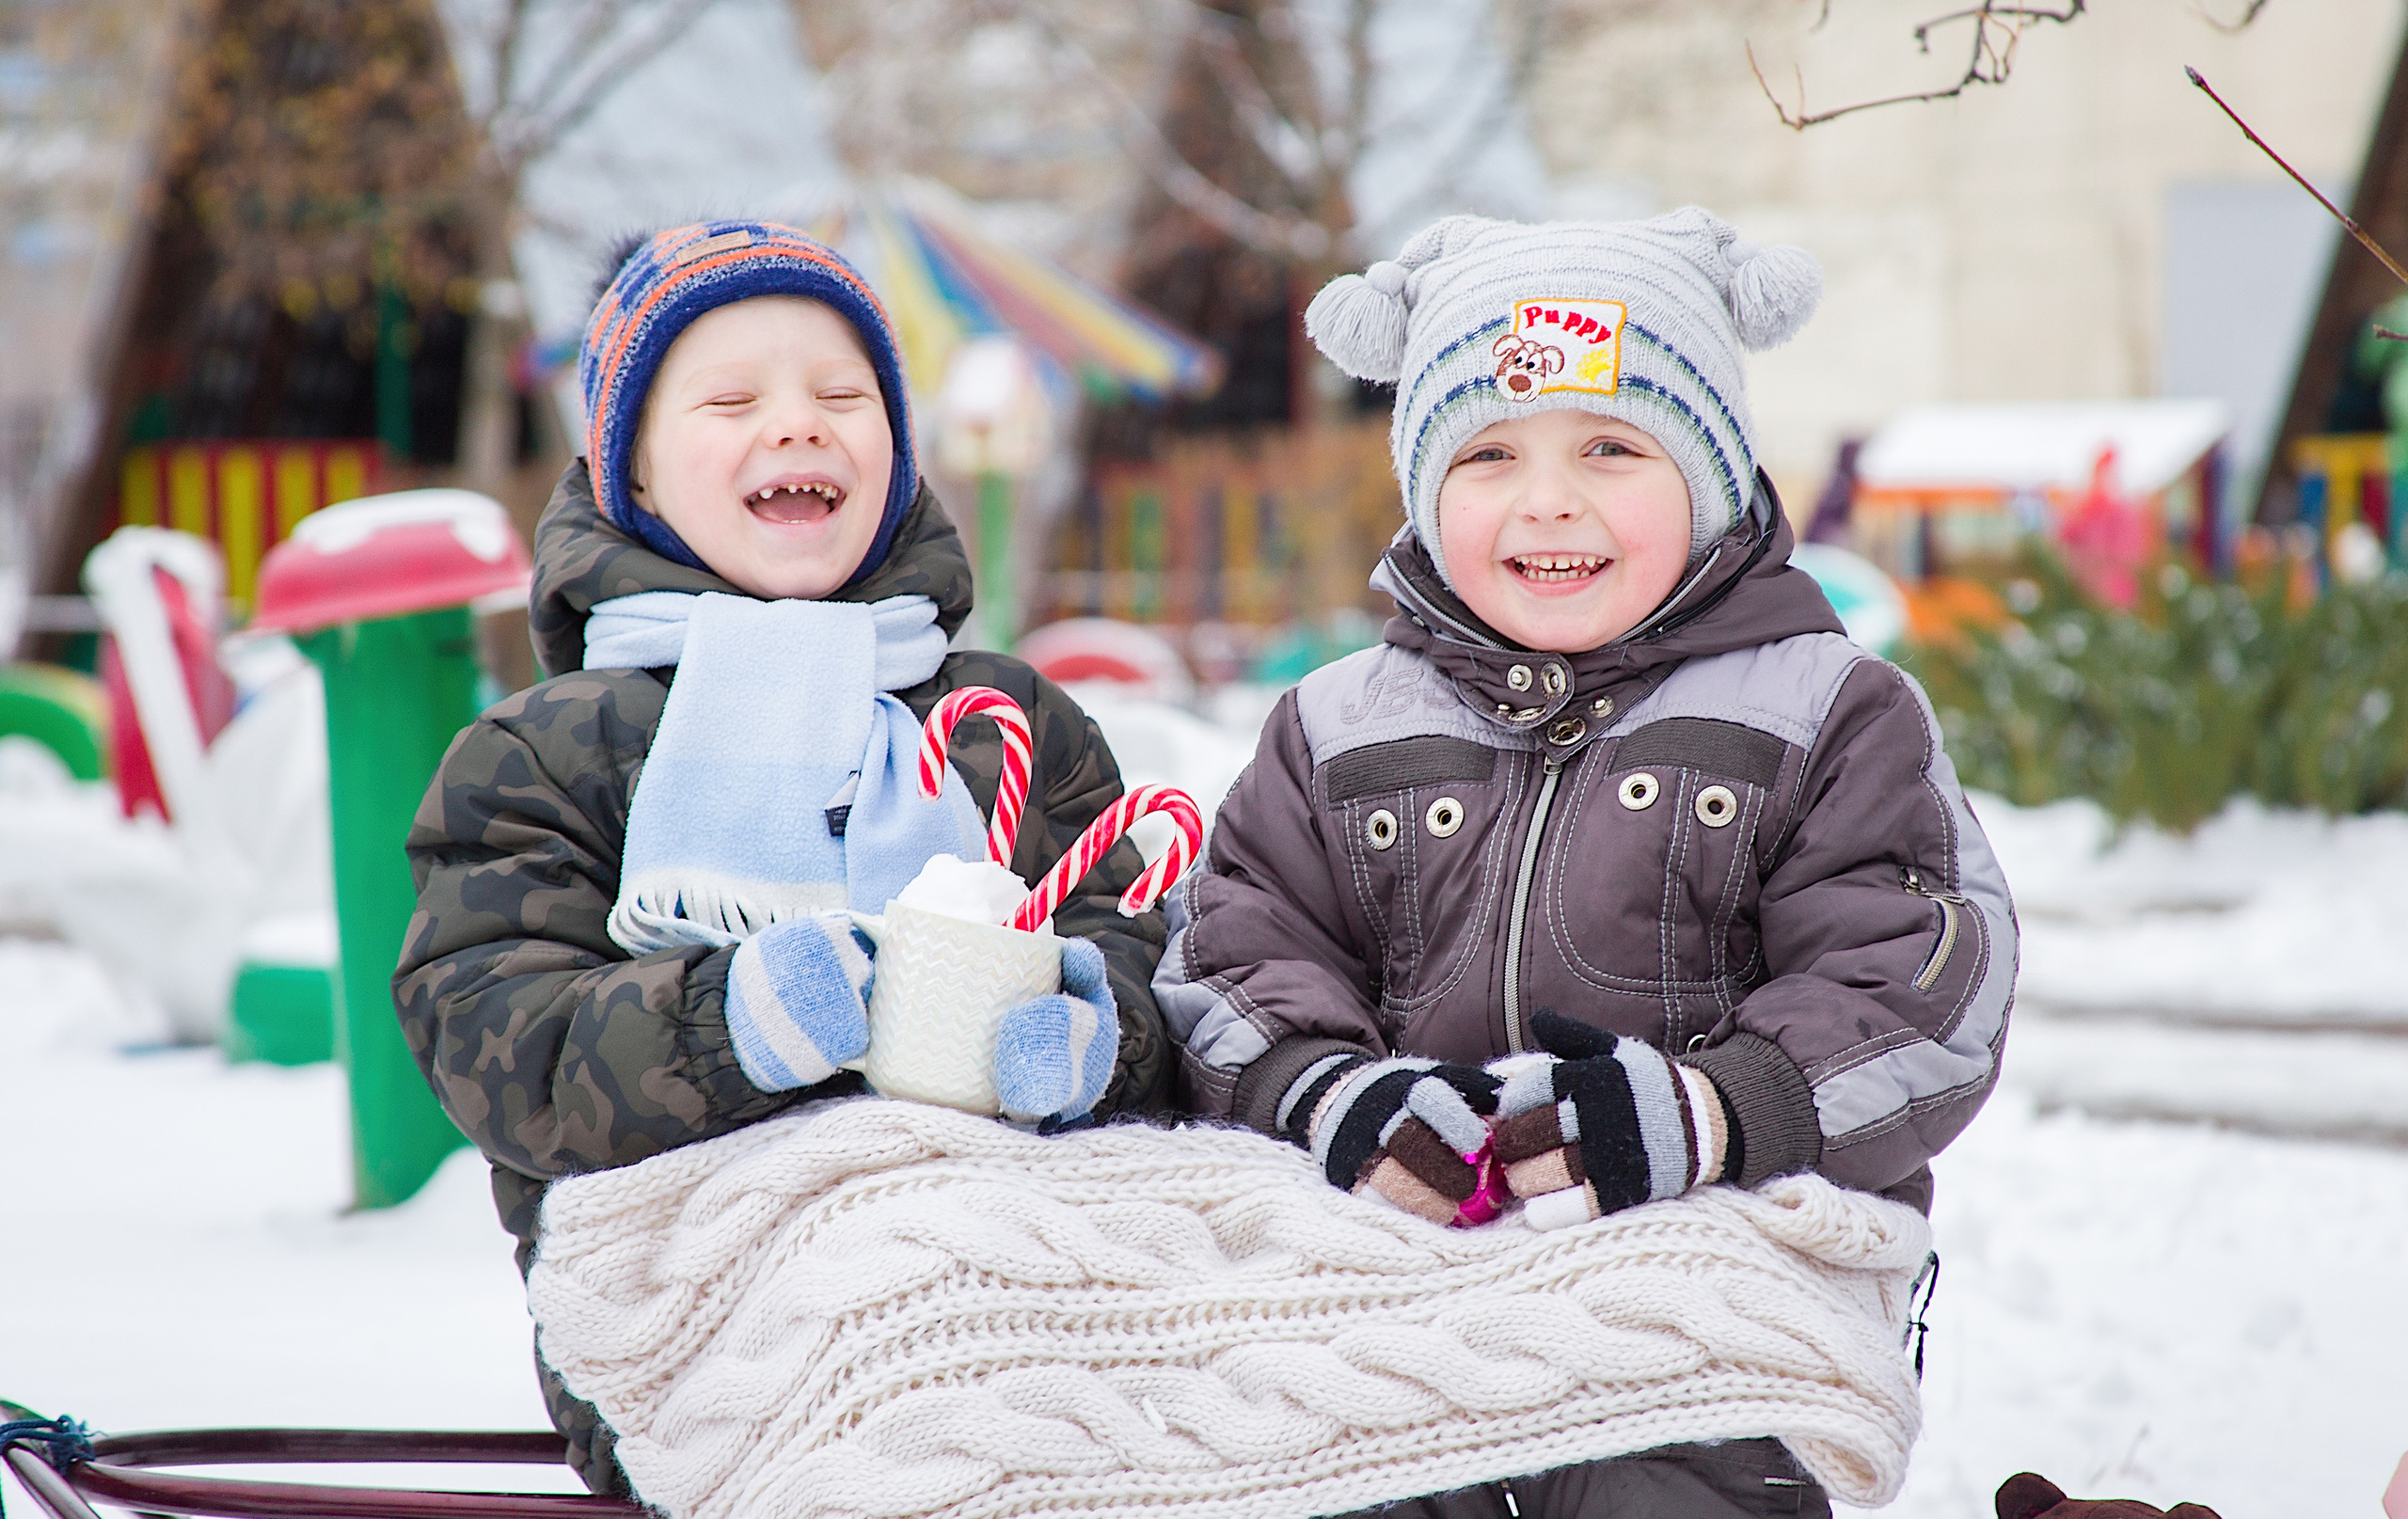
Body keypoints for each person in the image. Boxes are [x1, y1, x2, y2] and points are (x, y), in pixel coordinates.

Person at [1152, 208, 2016, 1518]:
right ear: (1428, 491)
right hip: (1407, 1292)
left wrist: (1714, 1111)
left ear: (1712, 476)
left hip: (1712, 1302)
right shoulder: (1338, 727)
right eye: (1490, 452)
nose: (1548, 498)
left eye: (1612, 447)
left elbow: (1917, 986)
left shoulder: (1824, 710)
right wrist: (1328, 1095)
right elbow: (1237, 948)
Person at [393, 221, 1168, 1495]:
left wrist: (1102, 1033)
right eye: (733, 399)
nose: (799, 426)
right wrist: (732, 1020)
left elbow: (1139, 943)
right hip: (702, 1334)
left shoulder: (1009, 725)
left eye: (842, 395)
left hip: (1029, 1298)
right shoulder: (551, 750)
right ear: (627, 463)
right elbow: (494, 1040)